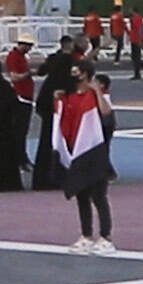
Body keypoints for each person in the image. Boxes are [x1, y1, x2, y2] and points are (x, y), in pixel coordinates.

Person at [47, 67, 117, 248]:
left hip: (96, 152)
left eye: (76, 70)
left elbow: (107, 114)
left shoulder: (95, 96)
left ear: (85, 73)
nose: (73, 74)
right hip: (77, 152)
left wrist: (97, 92)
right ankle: (86, 235)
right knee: (82, 196)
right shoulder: (68, 97)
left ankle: (105, 236)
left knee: (99, 196)